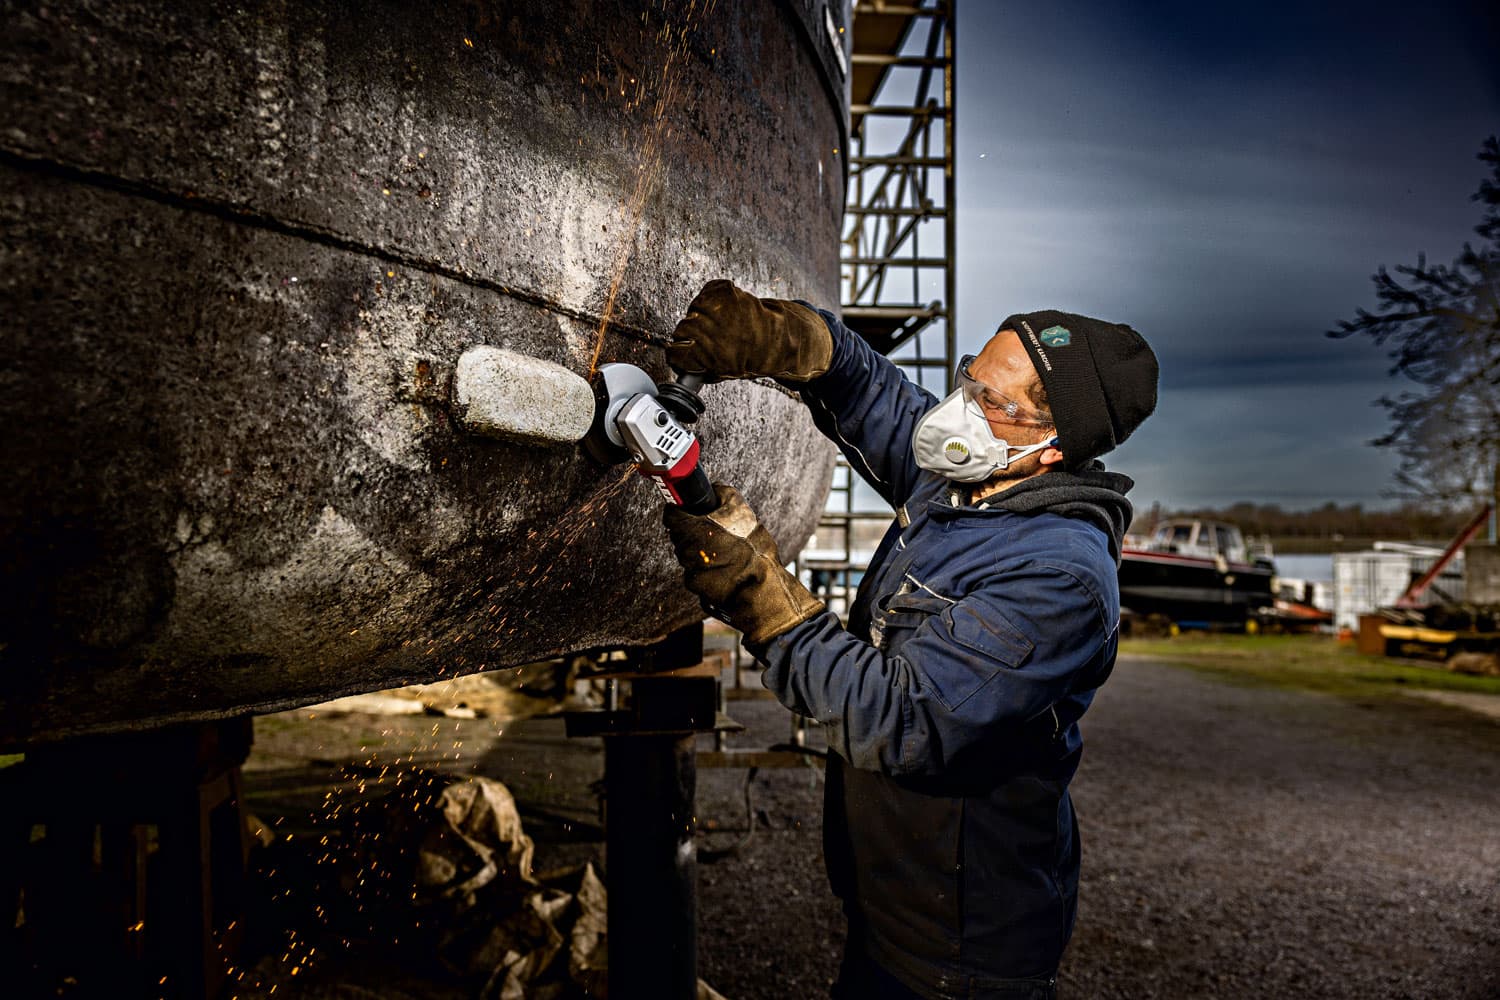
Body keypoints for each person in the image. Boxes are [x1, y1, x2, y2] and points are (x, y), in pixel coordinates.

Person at [659, 279, 1159, 1000]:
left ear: (1052, 449)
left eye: (994, 402)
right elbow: (869, 392)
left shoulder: (1059, 578)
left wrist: (759, 593)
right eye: (971, 378)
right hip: (890, 899)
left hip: (962, 949)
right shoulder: (967, 483)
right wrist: (793, 339)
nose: (963, 408)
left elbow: (902, 721)